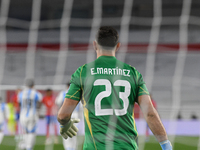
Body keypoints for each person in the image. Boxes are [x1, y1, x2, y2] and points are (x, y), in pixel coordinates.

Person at [57, 26, 172, 150]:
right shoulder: (133, 73)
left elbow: (63, 115)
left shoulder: (83, 72)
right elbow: (150, 113)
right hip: (127, 146)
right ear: (117, 46)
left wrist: (65, 124)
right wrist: (165, 144)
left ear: (95, 45)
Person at [56, 82, 84, 150]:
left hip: (65, 116)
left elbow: (57, 102)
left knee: (66, 137)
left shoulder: (63, 93)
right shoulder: (78, 93)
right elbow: (81, 106)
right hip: (75, 117)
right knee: (73, 136)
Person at [18, 79, 42, 150]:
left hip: (23, 115)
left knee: (26, 132)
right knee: (31, 132)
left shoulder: (21, 93)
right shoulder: (36, 93)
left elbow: (19, 104)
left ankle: (25, 145)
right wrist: (38, 110)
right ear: (33, 85)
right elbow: (39, 103)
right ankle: (29, 147)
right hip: (32, 115)